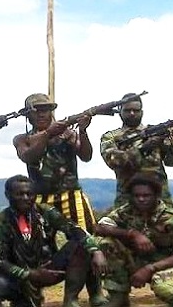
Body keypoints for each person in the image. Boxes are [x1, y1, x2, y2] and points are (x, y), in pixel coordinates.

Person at [13, 93, 107, 306]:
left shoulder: (67, 132)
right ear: (28, 114)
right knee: (39, 247)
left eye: (46, 109)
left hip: (70, 195)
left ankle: (92, 293)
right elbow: (29, 156)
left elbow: (86, 156)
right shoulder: (22, 138)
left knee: (85, 241)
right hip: (39, 200)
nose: (42, 113)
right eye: (37, 110)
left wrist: (82, 130)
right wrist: (47, 135)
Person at [0, 175, 108, 307]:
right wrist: (29, 274)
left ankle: (71, 301)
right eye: (19, 194)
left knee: (81, 245)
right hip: (20, 276)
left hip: (49, 270)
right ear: (8, 195)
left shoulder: (44, 212)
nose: (26, 198)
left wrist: (96, 250)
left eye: (29, 194)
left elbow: (73, 229)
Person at [95, 173, 173, 307]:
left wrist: (150, 268)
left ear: (156, 196)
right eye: (136, 196)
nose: (141, 199)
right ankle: (118, 296)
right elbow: (99, 227)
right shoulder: (125, 212)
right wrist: (132, 234)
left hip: (172, 266)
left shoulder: (172, 219)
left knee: (166, 287)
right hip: (141, 261)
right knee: (107, 243)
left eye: (146, 195)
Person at [99, 93, 173, 208]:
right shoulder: (111, 137)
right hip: (128, 198)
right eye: (128, 110)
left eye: (136, 110)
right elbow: (114, 162)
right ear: (120, 111)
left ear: (142, 112)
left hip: (160, 197)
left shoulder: (155, 132)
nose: (132, 113)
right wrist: (143, 148)